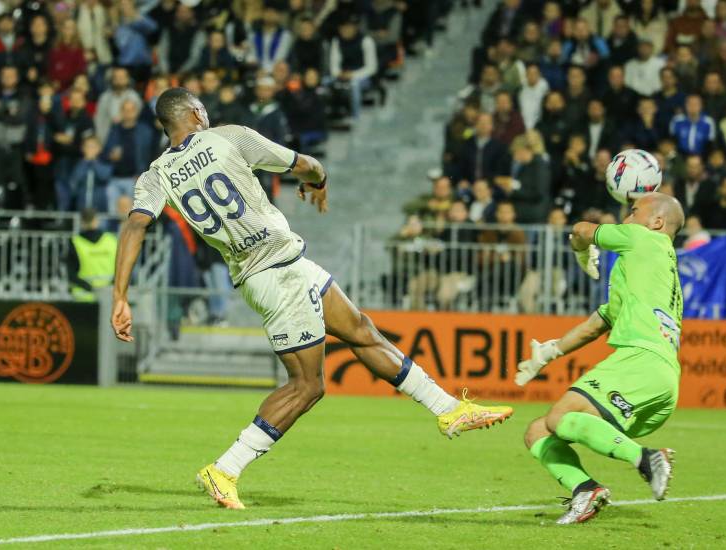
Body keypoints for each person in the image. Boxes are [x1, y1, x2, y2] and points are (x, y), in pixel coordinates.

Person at [111, 88, 513, 509]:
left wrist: (121, 295)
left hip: (283, 265)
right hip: (275, 273)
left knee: (361, 330)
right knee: (307, 385)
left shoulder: (155, 175)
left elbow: (135, 228)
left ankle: (448, 408)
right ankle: (225, 469)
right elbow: (305, 164)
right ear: (196, 112)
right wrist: (318, 182)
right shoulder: (228, 137)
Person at [517, 193, 684, 524]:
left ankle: (647, 459)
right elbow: (597, 325)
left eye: (633, 212)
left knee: (560, 415)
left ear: (657, 222)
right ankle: (585, 491)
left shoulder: (642, 238)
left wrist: (581, 252)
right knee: (539, 431)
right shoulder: (649, 270)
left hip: (640, 360)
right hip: (662, 380)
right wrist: (548, 353)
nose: (626, 219)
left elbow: (582, 229)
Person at [68, 208, 117, 301]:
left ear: (81, 221)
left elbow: (70, 274)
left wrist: (90, 288)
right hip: (108, 296)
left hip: (82, 297)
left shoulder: (75, 242)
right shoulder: (111, 240)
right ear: (96, 220)